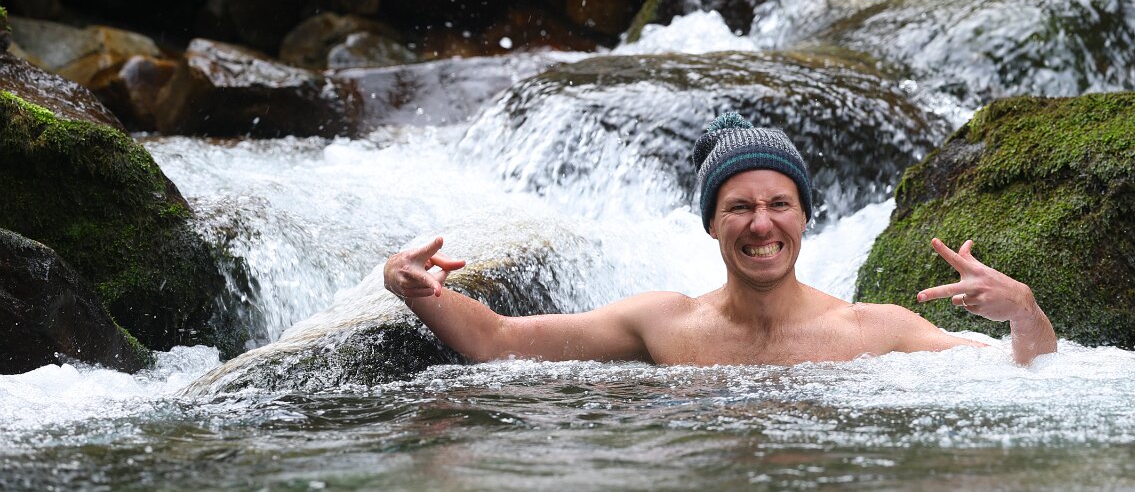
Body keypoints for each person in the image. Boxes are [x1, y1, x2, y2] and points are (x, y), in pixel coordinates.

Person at [384, 112, 1057, 366]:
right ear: (711, 222)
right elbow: (499, 341)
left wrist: (1024, 311)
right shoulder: (662, 324)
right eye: (739, 207)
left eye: (779, 205)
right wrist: (410, 285)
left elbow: (1029, 373)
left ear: (804, 217)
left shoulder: (875, 330)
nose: (761, 224)